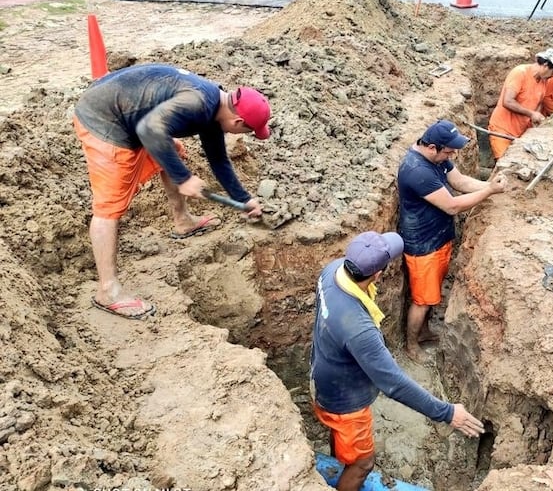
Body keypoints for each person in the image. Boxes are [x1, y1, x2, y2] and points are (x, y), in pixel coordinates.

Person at [73, 64, 269, 319]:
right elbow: (149, 130)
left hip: (125, 110)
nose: (249, 134)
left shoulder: (216, 108)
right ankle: (107, 290)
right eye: (249, 131)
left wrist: (244, 199)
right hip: (104, 118)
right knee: (109, 206)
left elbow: (218, 159)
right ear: (238, 122)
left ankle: (183, 221)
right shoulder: (198, 103)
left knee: (170, 151)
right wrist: (183, 178)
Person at [310, 231, 485, 491]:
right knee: (362, 465)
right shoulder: (358, 329)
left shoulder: (332, 270)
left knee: (342, 439)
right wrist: (447, 413)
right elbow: (393, 383)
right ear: (377, 274)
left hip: (323, 375)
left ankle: (340, 456)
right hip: (344, 401)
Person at [397, 120, 508, 363]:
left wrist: (489, 186)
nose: (453, 155)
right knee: (422, 299)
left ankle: (424, 331)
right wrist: (489, 192)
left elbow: (460, 182)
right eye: (449, 151)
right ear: (432, 147)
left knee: (431, 294)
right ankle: (412, 345)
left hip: (439, 238)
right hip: (423, 245)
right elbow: (452, 205)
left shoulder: (437, 157)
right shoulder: (417, 171)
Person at [487, 48, 553, 160]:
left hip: (521, 131)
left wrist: (535, 118)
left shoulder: (543, 80)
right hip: (502, 130)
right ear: (545, 64)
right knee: (503, 165)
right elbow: (507, 101)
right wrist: (531, 114)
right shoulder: (520, 73)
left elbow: (539, 102)